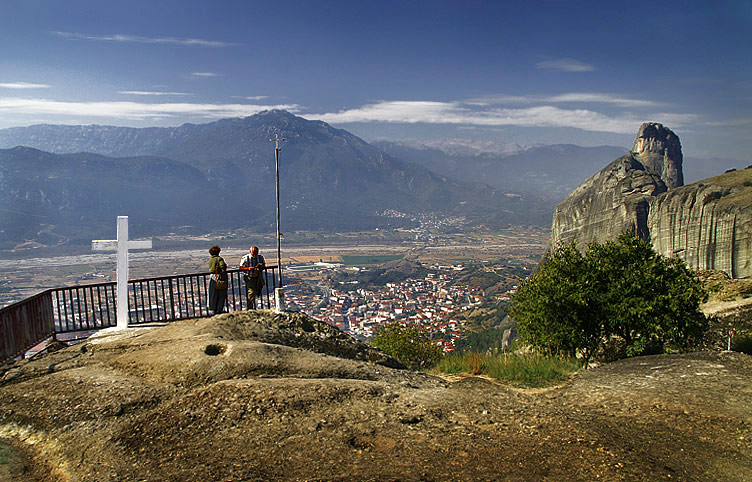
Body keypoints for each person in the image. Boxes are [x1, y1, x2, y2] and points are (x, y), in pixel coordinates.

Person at [208, 244, 228, 314]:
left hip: (212, 277)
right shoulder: (219, 259)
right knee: (221, 294)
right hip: (219, 277)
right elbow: (222, 267)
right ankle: (219, 309)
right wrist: (223, 272)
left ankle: (213, 309)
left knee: (213, 294)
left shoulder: (210, 260)